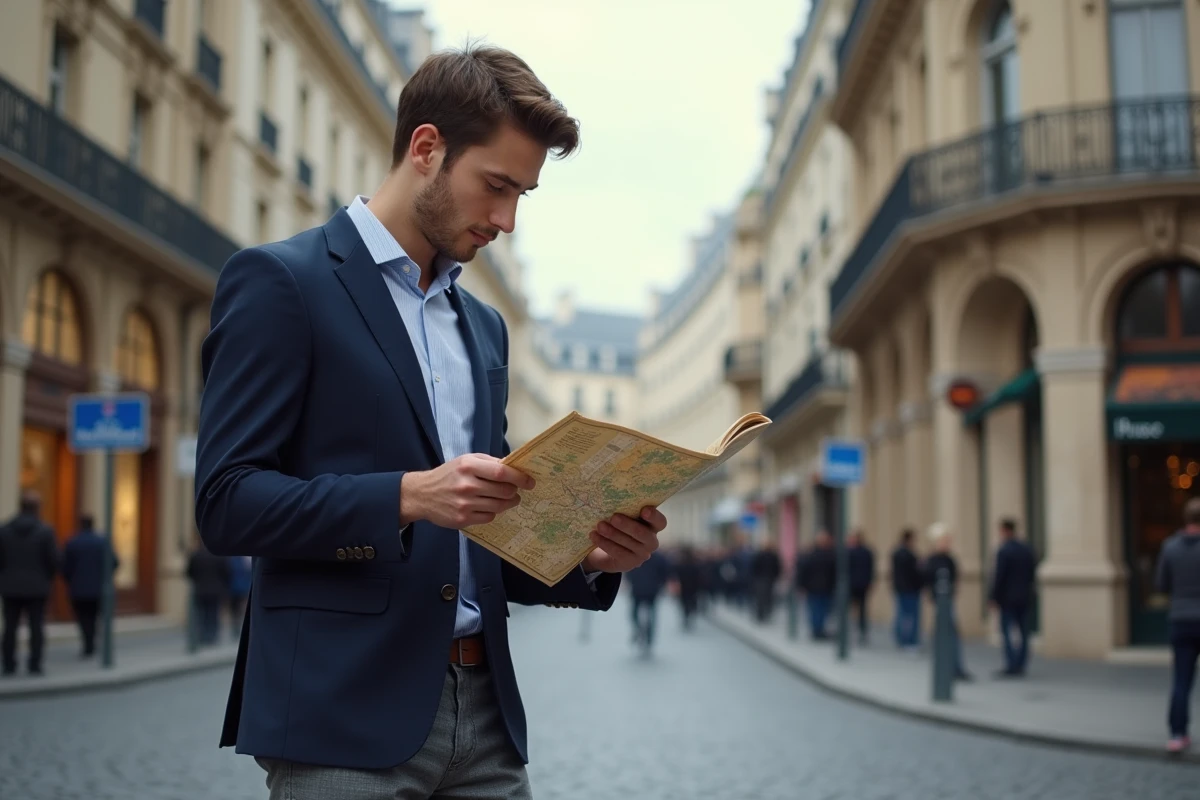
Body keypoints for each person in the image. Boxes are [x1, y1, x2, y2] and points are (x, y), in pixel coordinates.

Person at [194, 43, 666, 798]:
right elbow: (225, 502)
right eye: (496, 186)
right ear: (426, 149)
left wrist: (588, 557)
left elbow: (487, 531)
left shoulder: (483, 326)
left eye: (524, 196)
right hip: (341, 722)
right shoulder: (283, 282)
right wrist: (407, 496)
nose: (507, 220)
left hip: (484, 719)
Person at [1156, 497, 1200, 754]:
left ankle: (1177, 733)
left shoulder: (1170, 547)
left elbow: (1161, 584)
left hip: (1181, 619)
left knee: (1181, 680)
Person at [0, 492, 58, 676]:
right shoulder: (45, 531)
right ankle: (35, 663)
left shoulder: (5, 530)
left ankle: (9, 664)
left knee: (10, 627)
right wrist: (47, 577)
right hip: (37, 587)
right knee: (36, 626)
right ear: (36, 508)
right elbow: (53, 560)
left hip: (10, 586)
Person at [61, 514, 119, 658]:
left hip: (79, 589)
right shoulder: (102, 542)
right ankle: (96, 643)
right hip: (99, 588)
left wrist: (70, 580)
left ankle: (88, 645)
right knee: (97, 617)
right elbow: (114, 562)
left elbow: (65, 567)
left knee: (84, 618)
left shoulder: (73, 542)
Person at [989, 517, 1037, 677]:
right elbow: (1031, 573)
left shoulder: (1004, 550)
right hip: (1024, 597)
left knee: (1008, 632)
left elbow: (999, 576)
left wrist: (993, 597)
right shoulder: (1026, 549)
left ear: (1004, 530)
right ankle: (1021, 664)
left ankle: (1011, 664)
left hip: (1008, 599)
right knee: (1024, 632)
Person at [924, 522, 972, 682]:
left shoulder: (949, 559)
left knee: (950, 633)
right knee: (944, 633)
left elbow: (955, 577)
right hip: (940, 602)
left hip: (947, 601)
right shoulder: (932, 559)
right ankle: (946, 666)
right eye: (944, 540)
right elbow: (927, 578)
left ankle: (954, 667)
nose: (947, 543)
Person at [627, 549, 672, 655]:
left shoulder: (636, 554)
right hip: (652, 590)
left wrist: (632, 581)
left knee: (634, 613)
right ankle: (649, 636)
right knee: (651, 614)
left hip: (637, 589)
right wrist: (661, 585)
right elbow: (665, 573)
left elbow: (628, 570)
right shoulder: (659, 557)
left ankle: (638, 630)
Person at [796, 532, 836, 640]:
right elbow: (803, 571)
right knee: (817, 609)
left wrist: (801, 585)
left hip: (821, 588)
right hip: (817, 588)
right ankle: (817, 630)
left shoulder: (823, 554)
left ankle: (817, 630)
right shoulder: (825, 555)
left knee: (819, 610)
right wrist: (801, 585)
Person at [890, 528, 922, 651]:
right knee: (909, 616)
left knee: (901, 614)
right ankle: (908, 641)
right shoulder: (908, 555)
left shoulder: (896, 552)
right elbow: (914, 572)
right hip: (910, 589)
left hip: (900, 588)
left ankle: (900, 639)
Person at [847, 530, 875, 644]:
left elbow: (870, 568)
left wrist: (870, 581)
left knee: (862, 609)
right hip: (852, 584)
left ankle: (861, 630)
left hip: (861, 584)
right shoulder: (849, 551)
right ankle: (852, 629)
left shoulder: (865, 552)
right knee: (851, 608)